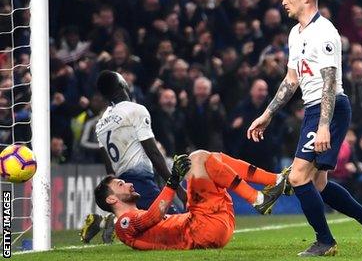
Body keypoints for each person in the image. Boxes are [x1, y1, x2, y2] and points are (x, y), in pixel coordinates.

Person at [247, 0, 362, 256]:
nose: (283, 1)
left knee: (299, 177)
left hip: (330, 108)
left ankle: (325, 241)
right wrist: (268, 114)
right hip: (314, 109)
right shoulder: (295, 33)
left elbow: (329, 81)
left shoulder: (324, 32)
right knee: (319, 184)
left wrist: (323, 126)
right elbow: (291, 80)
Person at [94, 151, 288, 250]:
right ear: (111, 199)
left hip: (208, 224)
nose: (128, 184)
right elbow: (153, 217)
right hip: (202, 229)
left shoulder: (132, 219)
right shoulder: (124, 224)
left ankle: (277, 180)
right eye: (120, 184)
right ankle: (258, 198)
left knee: (212, 157)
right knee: (197, 157)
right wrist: (172, 181)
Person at [80, 70, 185, 243]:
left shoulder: (101, 122)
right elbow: (154, 153)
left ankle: (107, 222)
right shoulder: (135, 110)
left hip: (122, 186)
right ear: (122, 84)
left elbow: (109, 169)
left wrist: (118, 200)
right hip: (139, 182)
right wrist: (179, 190)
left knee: (142, 231)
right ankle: (109, 223)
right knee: (180, 228)